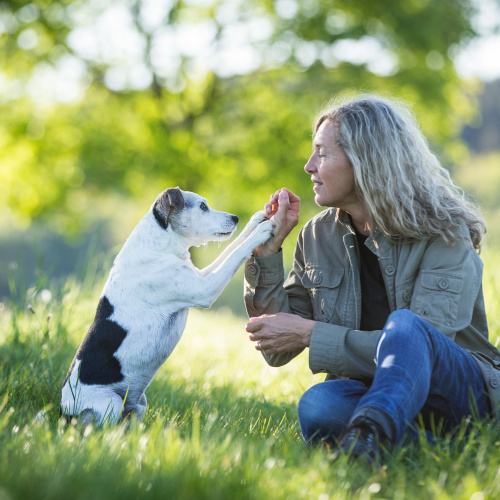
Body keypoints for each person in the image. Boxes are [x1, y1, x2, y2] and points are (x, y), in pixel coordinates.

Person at [243, 93, 500, 463]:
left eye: (322, 153)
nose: (308, 166)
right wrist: (266, 253)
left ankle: (372, 431)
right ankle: (427, 450)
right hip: (373, 394)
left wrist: (311, 334)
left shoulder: (444, 231)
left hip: (458, 395)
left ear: (365, 160)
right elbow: (277, 349)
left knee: (406, 327)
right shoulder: (316, 236)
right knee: (319, 404)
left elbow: (421, 350)